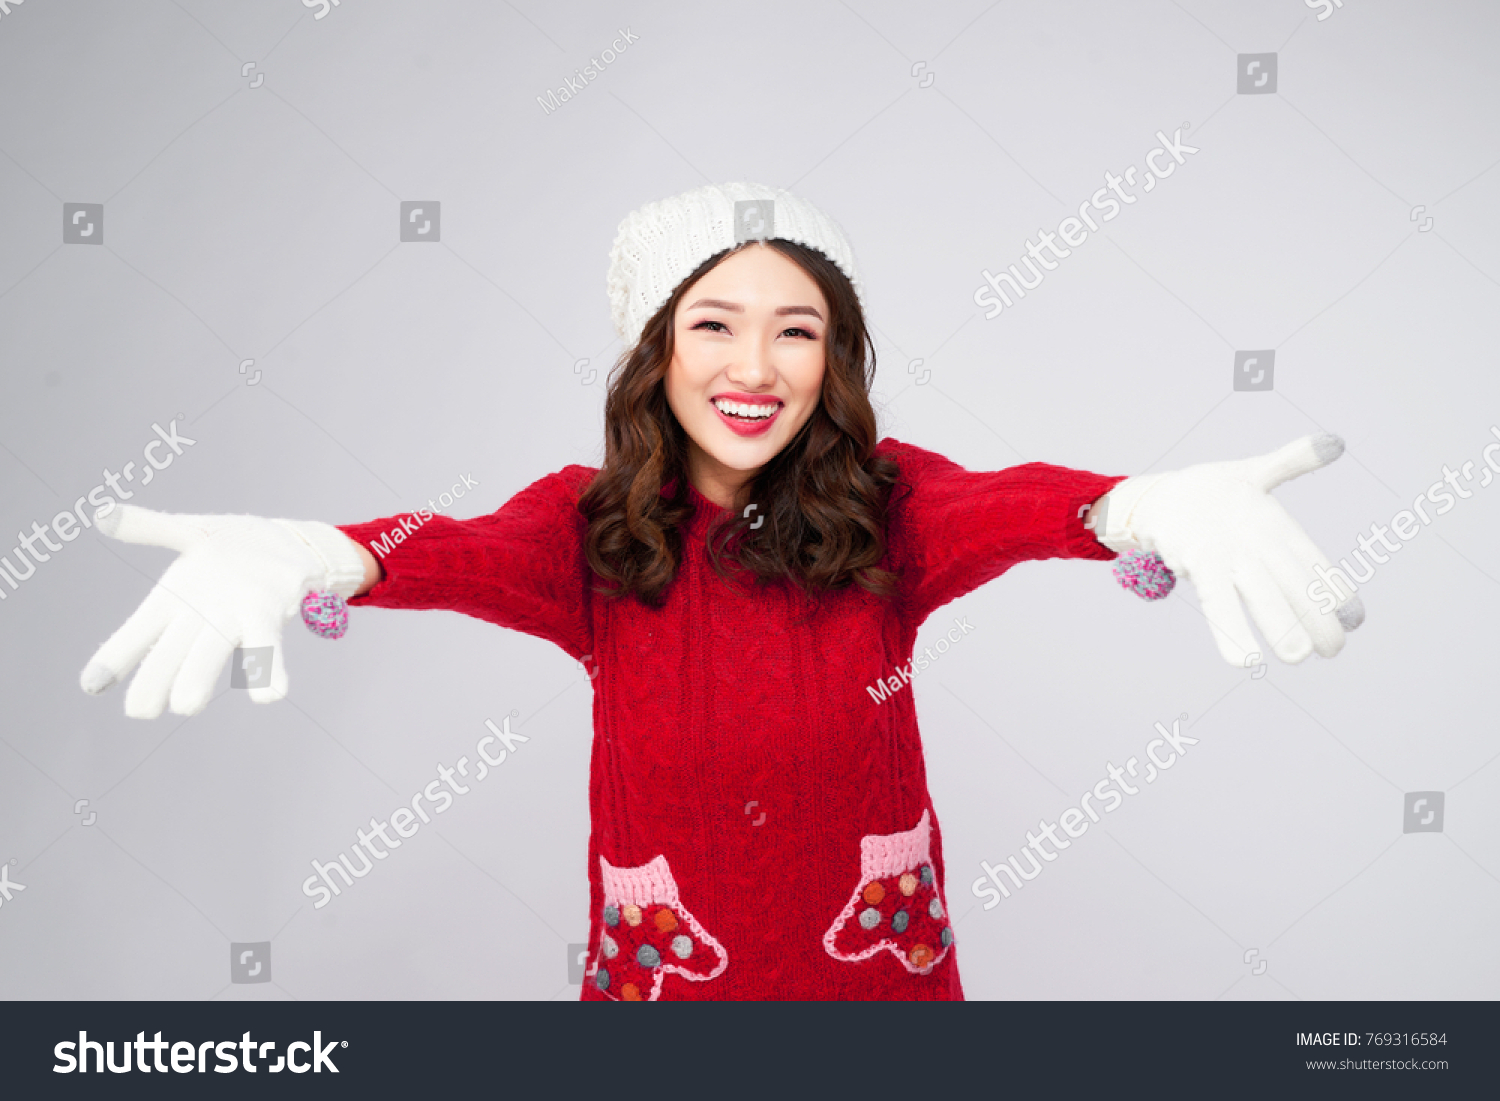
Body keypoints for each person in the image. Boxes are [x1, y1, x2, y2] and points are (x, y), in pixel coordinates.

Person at [78, 182, 1364, 1001]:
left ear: (836, 357)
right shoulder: (593, 531)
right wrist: (314, 549)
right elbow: (441, 545)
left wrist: (1134, 504)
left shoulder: (887, 507)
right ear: (655, 348)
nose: (757, 365)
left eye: (797, 328)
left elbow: (1013, 501)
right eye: (714, 323)